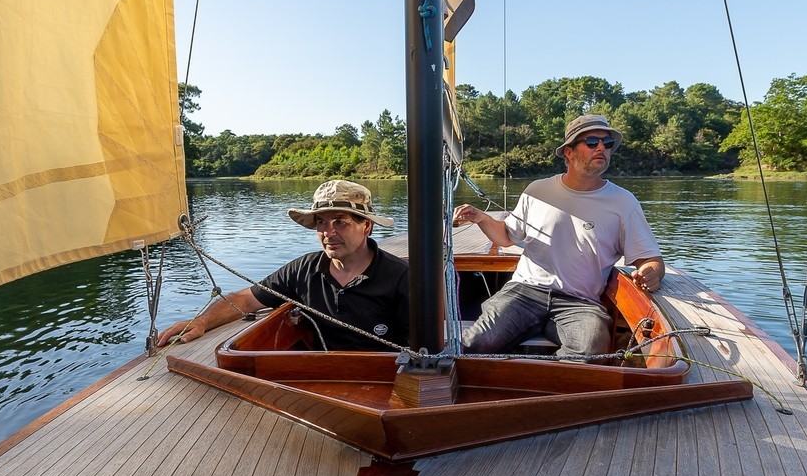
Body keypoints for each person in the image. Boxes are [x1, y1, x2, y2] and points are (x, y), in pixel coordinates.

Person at [453, 114, 665, 359]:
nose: (601, 148)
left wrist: (651, 272)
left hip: (580, 303)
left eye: (607, 144)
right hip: (524, 292)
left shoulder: (623, 202)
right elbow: (507, 237)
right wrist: (481, 218)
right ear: (569, 152)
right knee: (474, 344)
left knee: (590, 352)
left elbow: (651, 260)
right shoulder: (537, 191)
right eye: (592, 141)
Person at [155, 179, 409, 351]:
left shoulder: (401, 277)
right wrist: (201, 321)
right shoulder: (302, 270)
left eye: (340, 222)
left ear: (367, 226)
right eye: (321, 222)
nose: (328, 232)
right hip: (318, 382)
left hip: (381, 381)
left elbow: (421, 349)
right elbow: (244, 300)